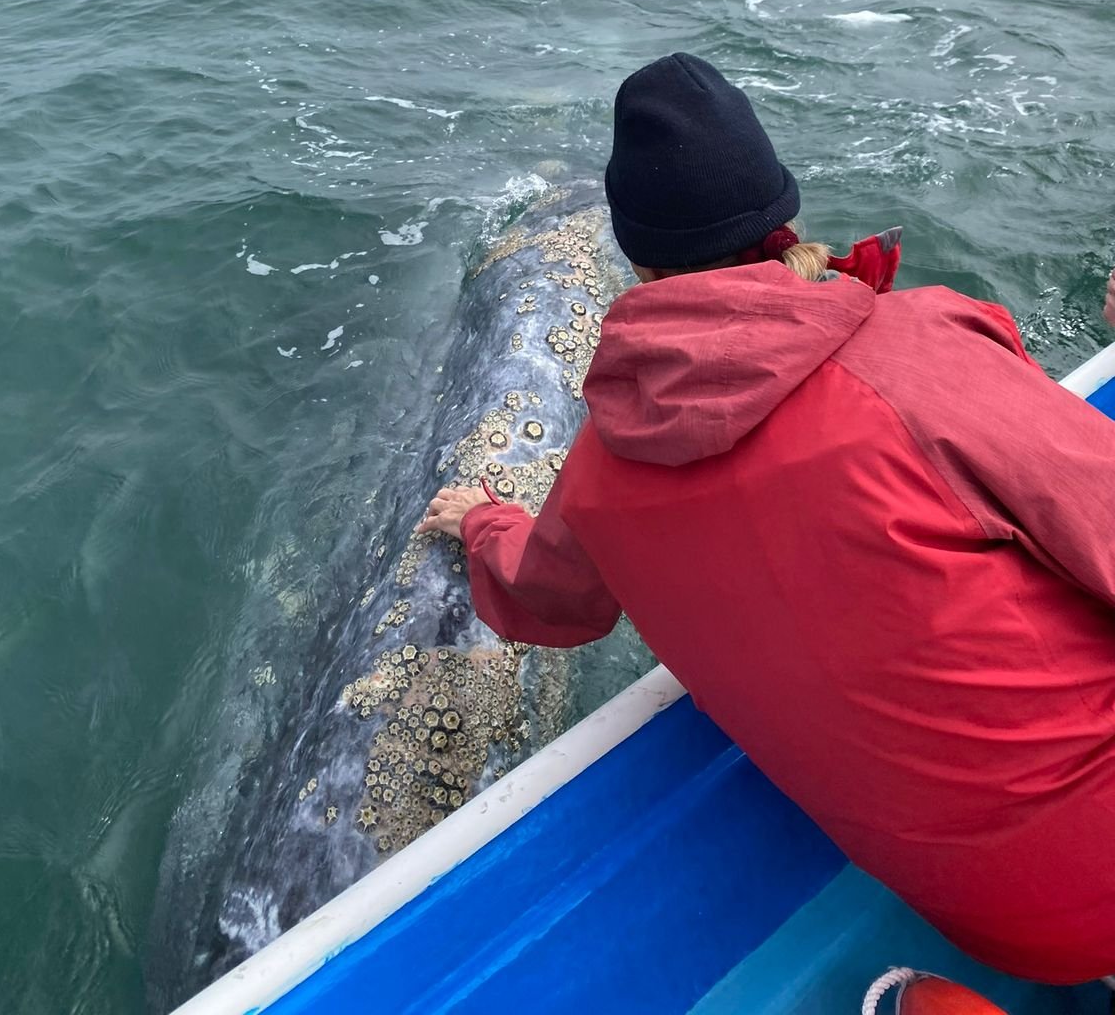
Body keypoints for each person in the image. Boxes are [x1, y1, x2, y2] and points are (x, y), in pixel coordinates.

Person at [419, 53, 1115, 986]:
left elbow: (554, 603)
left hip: (994, 923)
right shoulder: (923, 351)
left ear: (638, 262)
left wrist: (480, 523)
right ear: (779, 215)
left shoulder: (602, 467)